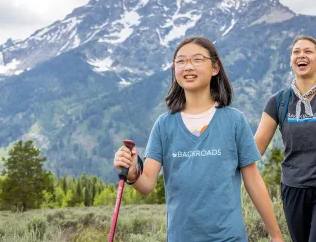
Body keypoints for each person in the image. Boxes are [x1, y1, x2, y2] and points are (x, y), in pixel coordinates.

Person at [114, 36, 284, 241]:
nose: (188, 66)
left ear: (215, 68)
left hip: (229, 237)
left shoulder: (234, 120)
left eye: (197, 59)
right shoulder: (164, 125)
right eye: (181, 61)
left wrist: (276, 235)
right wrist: (132, 173)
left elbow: (254, 181)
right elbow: (147, 184)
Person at [254, 35, 316, 242]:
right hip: (293, 189)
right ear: (291, 60)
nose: (301, 55)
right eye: (296, 52)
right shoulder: (278, 101)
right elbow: (254, 150)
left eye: (308, 51)